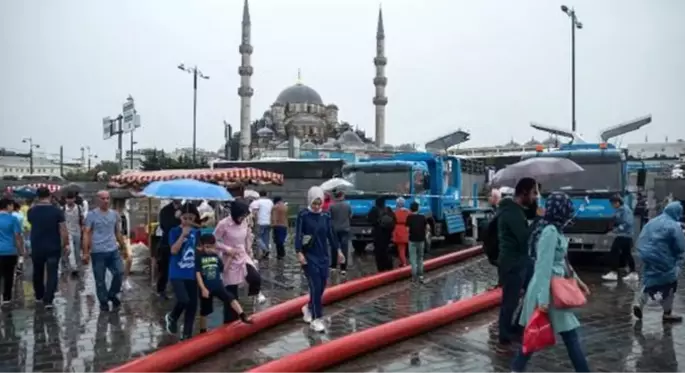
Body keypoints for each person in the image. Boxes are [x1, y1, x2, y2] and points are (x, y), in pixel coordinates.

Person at [510, 192, 592, 373]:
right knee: (566, 337)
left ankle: (515, 370)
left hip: (552, 290)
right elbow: (543, 266)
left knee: (535, 335)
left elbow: (563, 261)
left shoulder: (555, 230)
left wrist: (578, 281)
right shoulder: (550, 232)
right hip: (547, 291)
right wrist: (543, 301)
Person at [295, 186, 345, 332]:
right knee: (315, 285)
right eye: (314, 203)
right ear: (310, 201)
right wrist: (299, 252)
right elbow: (298, 234)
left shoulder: (325, 216)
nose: (317, 207)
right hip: (309, 256)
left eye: (319, 203)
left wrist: (339, 250)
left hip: (323, 255)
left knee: (322, 285)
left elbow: (331, 234)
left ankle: (309, 307)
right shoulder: (303, 215)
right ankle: (317, 318)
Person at [496, 177, 537, 345]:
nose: (535, 196)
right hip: (512, 263)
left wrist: (535, 210)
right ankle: (505, 334)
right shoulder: (511, 212)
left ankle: (518, 326)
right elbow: (524, 237)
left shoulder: (517, 210)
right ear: (524, 192)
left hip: (522, 260)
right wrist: (538, 221)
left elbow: (528, 214)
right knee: (510, 301)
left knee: (533, 291)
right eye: (534, 193)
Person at [632, 201, 685, 322]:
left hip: (646, 256)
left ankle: (639, 304)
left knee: (648, 280)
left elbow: (642, 237)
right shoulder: (673, 225)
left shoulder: (652, 222)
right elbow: (680, 246)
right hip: (664, 258)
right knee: (670, 284)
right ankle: (667, 313)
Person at [215, 199, 266, 323]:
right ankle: (229, 321)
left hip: (243, 255)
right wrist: (227, 249)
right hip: (230, 257)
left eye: (244, 216)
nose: (243, 218)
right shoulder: (223, 224)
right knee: (231, 293)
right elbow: (214, 240)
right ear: (234, 213)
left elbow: (247, 236)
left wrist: (249, 249)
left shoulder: (244, 222)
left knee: (255, 277)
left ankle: (255, 295)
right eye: (241, 216)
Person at [196, 233, 253, 333]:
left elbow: (223, 270)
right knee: (205, 310)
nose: (209, 249)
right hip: (206, 288)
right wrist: (203, 288)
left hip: (218, 285)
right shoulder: (199, 257)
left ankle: (242, 315)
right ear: (202, 246)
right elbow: (198, 274)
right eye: (207, 247)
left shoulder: (216, 257)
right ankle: (202, 330)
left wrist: (230, 258)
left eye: (212, 247)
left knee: (230, 298)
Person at [83, 190, 127, 312]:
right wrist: (86, 252)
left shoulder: (114, 214)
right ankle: (103, 301)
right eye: (103, 198)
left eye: (108, 198)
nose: (106, 201)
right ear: (98, 200)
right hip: (98, 251)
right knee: (100, 279)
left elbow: (117, 231)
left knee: (119, 272)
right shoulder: (92, 215)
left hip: (113, 249)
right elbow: (86, 233)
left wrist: (123, 246)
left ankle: (112, 294)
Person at [27, 187, 69, 309]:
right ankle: (49, 299)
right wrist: (65, 244)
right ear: (50, 196)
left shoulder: (32, 211)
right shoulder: (57, 211)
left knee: (37, 271)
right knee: (52, 272)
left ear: (37, 197)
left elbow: (31, 222)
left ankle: (39, 296)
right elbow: (63, 230)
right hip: (53, 246)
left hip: (37, 246)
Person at [164, 203, 201, 339]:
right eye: (185, 218)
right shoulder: (174, 231)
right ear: (180, 218)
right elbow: (173, 250)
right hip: (177, 272)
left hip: (191, 272)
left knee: (192, 305)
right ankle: (172, 316)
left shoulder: (197, 233)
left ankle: (187, 335)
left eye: (190, 218)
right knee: (183, 299)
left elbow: (198, 250)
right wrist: (183, 236)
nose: (187, 221)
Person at [602, 195, 637, 281]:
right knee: (627, 254)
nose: (612, 206)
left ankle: (614, 272)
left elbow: (627, 223)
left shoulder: (625, 210)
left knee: (614, 251)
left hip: (624, 235)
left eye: (612, 204)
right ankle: (633, 273)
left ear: (617, 202)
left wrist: (615, 230)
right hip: (624, 235)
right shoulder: (620, 210)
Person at [0, 198, 24, 305]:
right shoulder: (13, 219)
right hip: (10, 251)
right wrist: (21, 251)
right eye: (11, 205)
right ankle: (7, 298)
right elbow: (17, 237)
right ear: (8, 206)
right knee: (9, 275)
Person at [157, 199, 182, 299]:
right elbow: (165, 226)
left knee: (181, 267)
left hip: (182, 243)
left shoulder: (187, 208)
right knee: (165, 268)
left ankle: (179, 289)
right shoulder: (165, 210)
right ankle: (161, 290)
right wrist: (176, 218)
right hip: (167, 243)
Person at [368, 198, 395, 272]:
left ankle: (381, 269)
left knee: (379, 252)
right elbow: (394, 219)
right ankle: (389, 267)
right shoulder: (388, 209)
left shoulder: (374, 210)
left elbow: (369, 219)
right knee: (387, 250)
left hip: (378, 233)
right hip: (387, 233)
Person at [62, 191, 85, 276]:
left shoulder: (79, 208)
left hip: (77, 231)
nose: (70, 200)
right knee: (70, 249)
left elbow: (82, 219)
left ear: (74, 199)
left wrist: (83, 229)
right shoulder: (63, 209)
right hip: (67, 232)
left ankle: (77, 266)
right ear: (66, 199)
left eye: (71, 198)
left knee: (77, 250)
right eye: (68, 199)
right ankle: (73, 267)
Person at [329, 190, 352, 275]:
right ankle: (343, 268)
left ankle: (333, 266)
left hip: (335, 229)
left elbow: (330, 217)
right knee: (344, 248)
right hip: (345, 229)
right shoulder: (348, 205)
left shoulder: (332, 206)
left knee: (334, 247)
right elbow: (350, 215)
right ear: (342, 196)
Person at [113, 199, 134, 290]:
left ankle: (125, 279)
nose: (122, 203)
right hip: (116, 239)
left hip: (126, 238)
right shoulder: (112, 213)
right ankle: (118, 281)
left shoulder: (126, 212)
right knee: (118, 261)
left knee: (129, 258)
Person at [406, 201, 427, 283]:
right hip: (421, 240)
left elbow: (407, 229)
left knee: (413, 259)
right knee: (420, 258)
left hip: (412, 240)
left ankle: (414, 277)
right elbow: (425, 228)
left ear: (410, 209)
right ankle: (421, 276)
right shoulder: (423, 217)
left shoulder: (409, 217)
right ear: (418, 209)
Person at [251, 191, 274, 259]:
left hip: (260, 222)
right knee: (266, 238)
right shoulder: (270, 202)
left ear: (259, 194)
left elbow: (255, 213)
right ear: (266, 194)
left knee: (257, 238)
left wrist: (254, 222)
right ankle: (265, 253)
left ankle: (265, 250)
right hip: (268, 222)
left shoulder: (257, 202)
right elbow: (272, 211)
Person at [392, 197, 410, 267]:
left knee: (401, 249)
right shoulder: (408, 212)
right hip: (406, 229)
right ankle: (405, 262)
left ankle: (404, 263)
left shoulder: (395, 212)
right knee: (406, 248)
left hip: (398, 230)